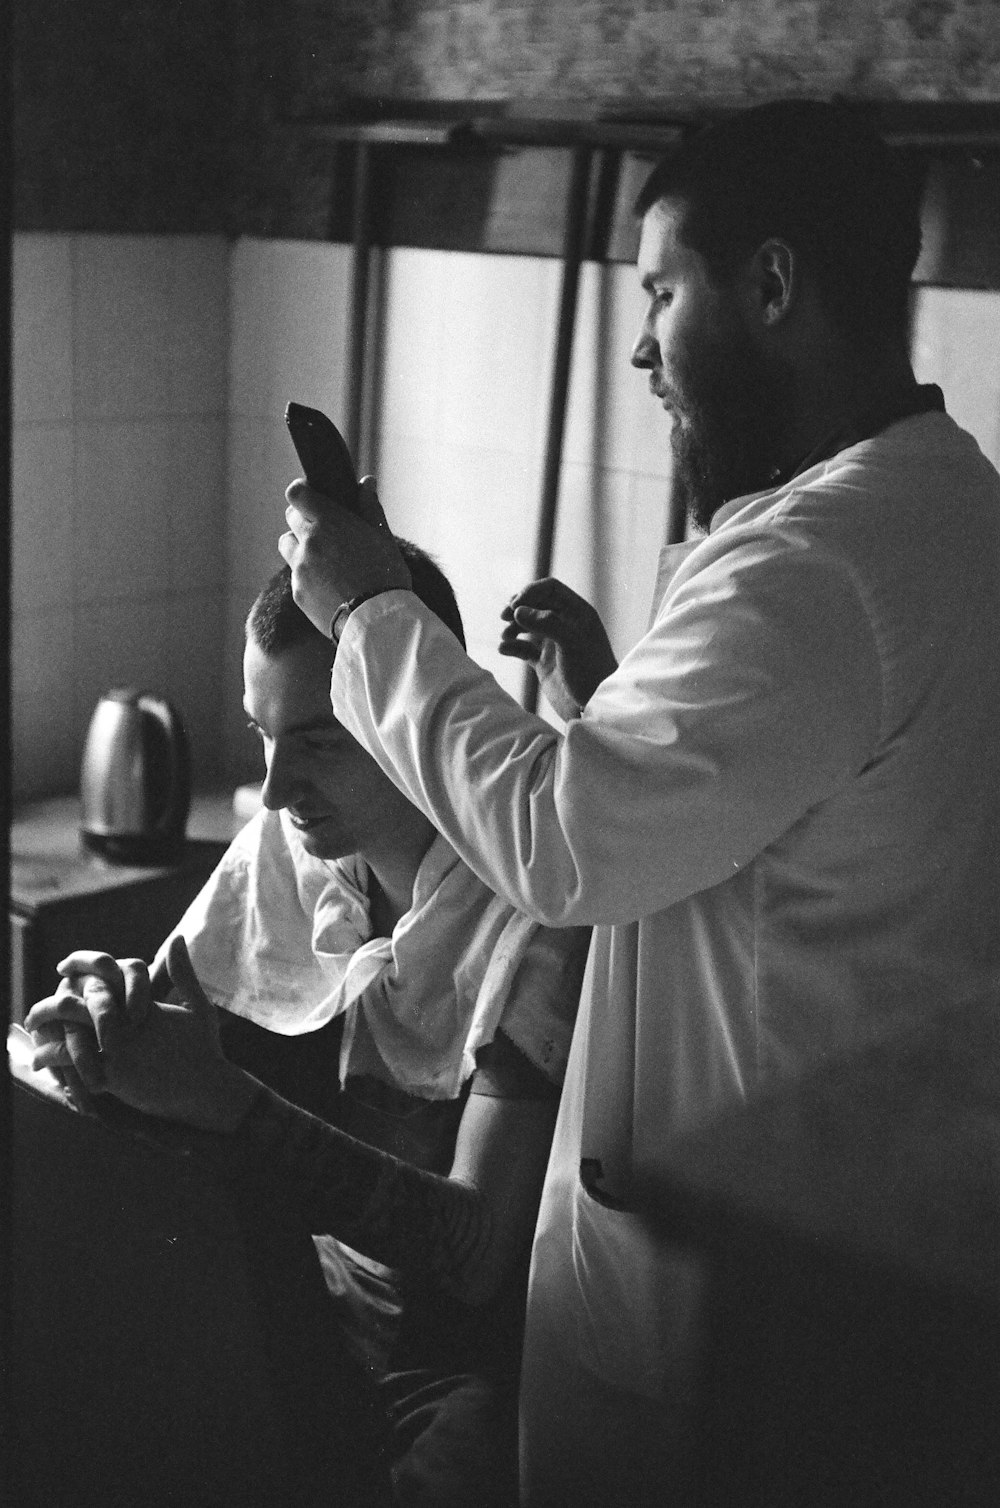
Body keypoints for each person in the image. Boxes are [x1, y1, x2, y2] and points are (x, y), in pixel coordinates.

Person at [269, 101, 1000, 1504]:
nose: (645, 346)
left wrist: (362, 604)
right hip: (855, 1266)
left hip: (729, 1326)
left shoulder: (814, 564)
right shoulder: (946, 516)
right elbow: (780, 827)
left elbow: (564, 843)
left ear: (772, 286)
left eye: (663, 289)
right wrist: (611, 707)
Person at [28, 546, 589, 1508]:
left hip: (462, 1371)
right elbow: (163, 1006)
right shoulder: (296, 845)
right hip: (314, 1300)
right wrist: (99, 1027)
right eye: (262, 735)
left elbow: (476, 1253)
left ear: (420, 717)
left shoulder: (531, 910)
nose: (277, 787)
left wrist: (219, 1097)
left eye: (323, 742)